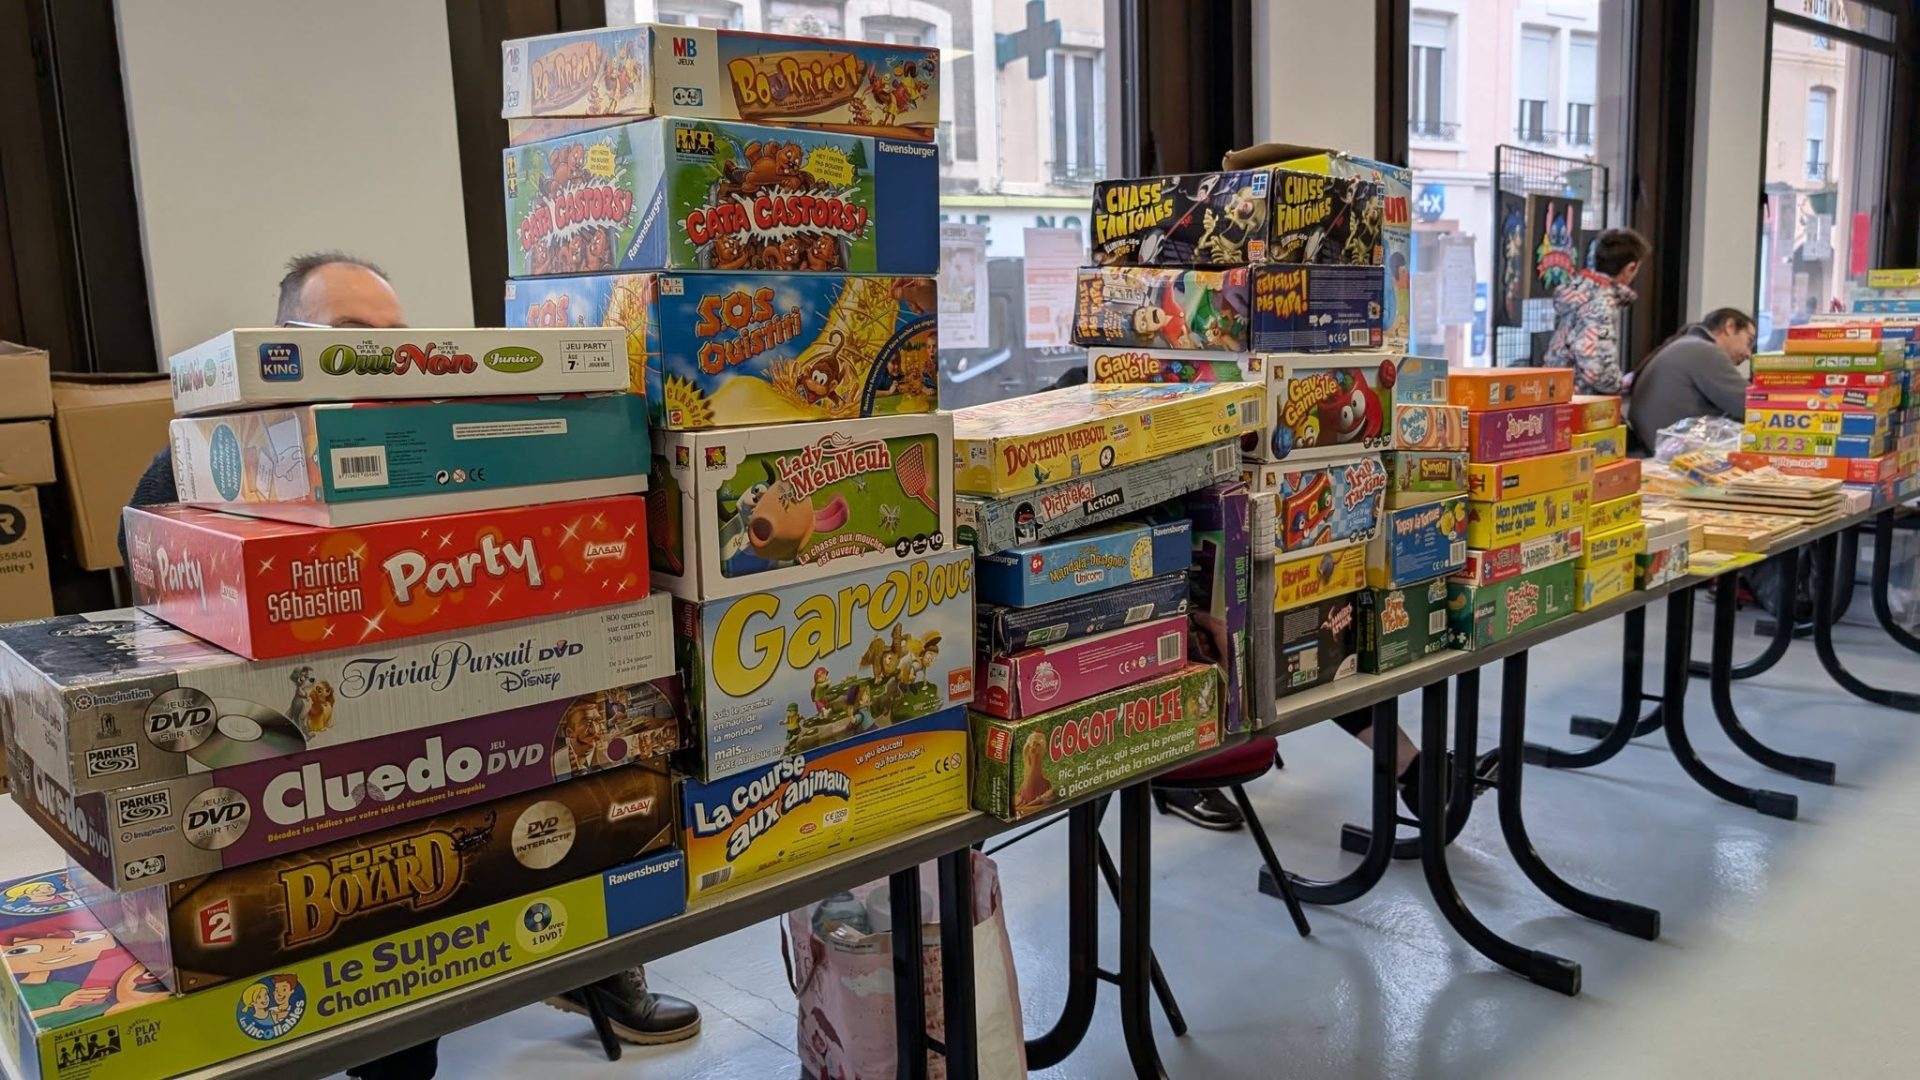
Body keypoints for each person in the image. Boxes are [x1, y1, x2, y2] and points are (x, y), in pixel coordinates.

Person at [119, 253, 700, 1080]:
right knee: (389, 875)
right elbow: (155, 595)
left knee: (600, 762)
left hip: (496, 708)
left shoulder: (445, 437)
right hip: (330, 757)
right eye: (350, 337)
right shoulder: (206, 456)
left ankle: (596, 966)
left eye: (395, 338)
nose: (380, 359)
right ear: (281, 344)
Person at [1625, 307, 1754, 450]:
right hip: (1666, 451)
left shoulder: (1687, 344)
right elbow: (1752, 405)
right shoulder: (1704, 351)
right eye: (1749, 341)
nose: (1748, 354)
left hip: (1652, 445)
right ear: (1730, 327)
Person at [1544, 227, 1651, 395]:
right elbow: (1595, 368)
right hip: (1582, 400)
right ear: (1630, 268)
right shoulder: (1600, 304)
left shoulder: (1578, 294)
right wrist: (1618, 383)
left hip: (1557, 392)